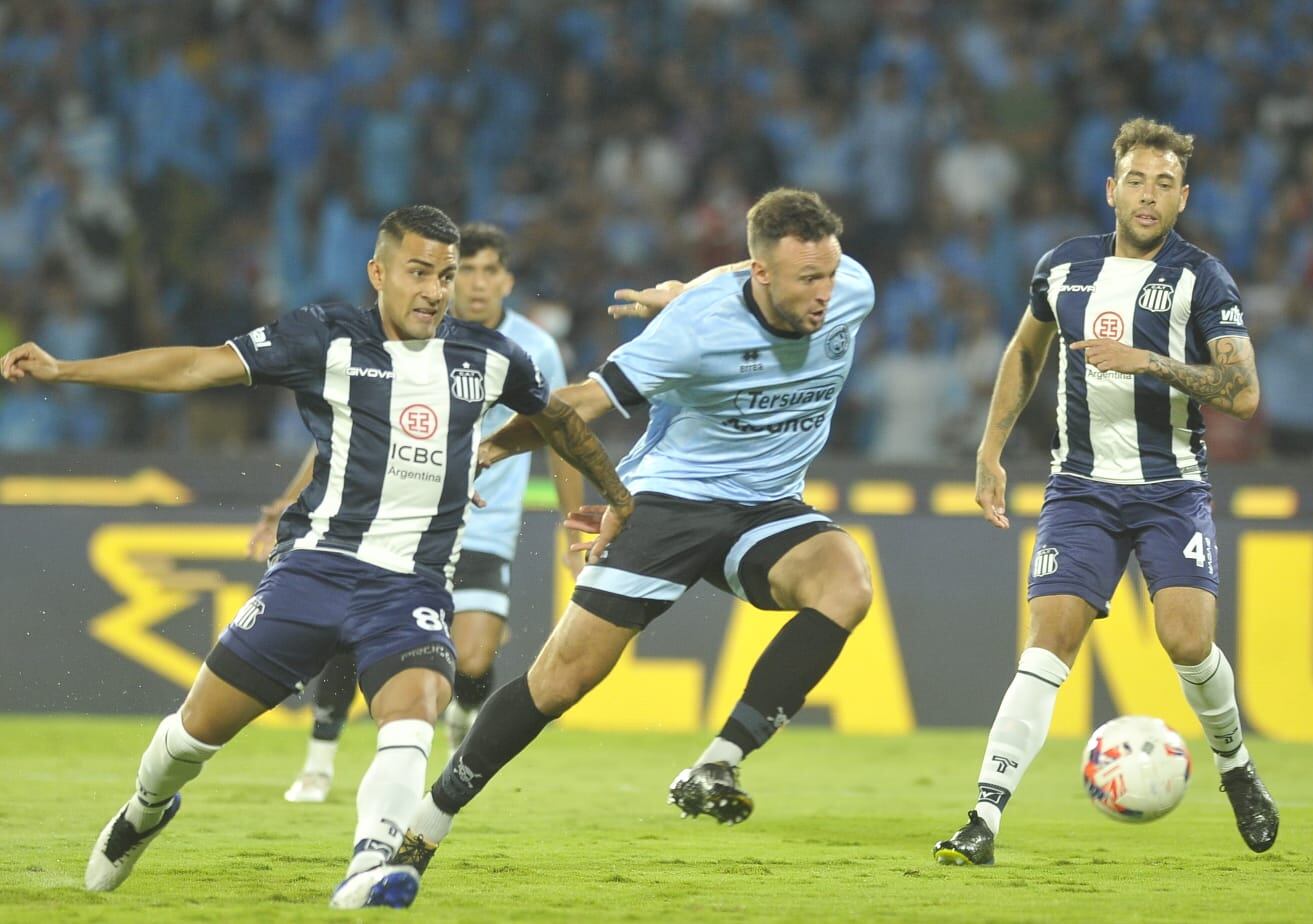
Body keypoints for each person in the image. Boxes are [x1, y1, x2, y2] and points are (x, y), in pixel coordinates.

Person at [0, 205, 632, 909]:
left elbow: (560, 421)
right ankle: (146, 808)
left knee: (417, 705)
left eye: (445, 276)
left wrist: (616, 497)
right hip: (314, 571)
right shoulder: (323, 336)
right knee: (191, 738)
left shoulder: (486, 358)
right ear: (380, 272)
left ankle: (370, 863)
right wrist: (68, 369)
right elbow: (197, 367)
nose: (434, 290)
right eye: (419, 272)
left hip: (412, 587)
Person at [385, 188, 877, 878]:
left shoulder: (853, 287)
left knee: (845, 582)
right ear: (765, 275)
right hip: (669, 501)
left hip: (767, 506)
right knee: (561, 681)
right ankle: (427, 821)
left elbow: (740, 271)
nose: (826, 292)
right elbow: (577, 404)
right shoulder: (696, 332)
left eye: (829, 273)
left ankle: (716, 764)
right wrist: (489, 449)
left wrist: (682, 285)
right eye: (808, 279)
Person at [932, 118, 1277, 867]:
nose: (1148, 196)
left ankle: (1236, 768)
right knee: (1047, 642)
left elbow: (1244, 392)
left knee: (1187, 640)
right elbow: (1027, 350)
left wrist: (1149, 362)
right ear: (1110, 187)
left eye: (1164, 184)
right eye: (1136, 180)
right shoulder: (1063, 267)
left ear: (1183, 198)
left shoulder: (1202, 278)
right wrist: (990, 449)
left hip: (1171, 490)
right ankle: (983, 818)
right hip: (1079, 488)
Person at [256, 222, 587, 804]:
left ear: (507, 280)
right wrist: (288, 497)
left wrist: (573, 523)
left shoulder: (532, 351)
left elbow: (559, 435)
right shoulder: (411, 338)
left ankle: (462, 717)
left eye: (490, 272)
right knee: (347, 634)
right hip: (398, 518)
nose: (477, 285)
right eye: (468, 273)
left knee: (478, 653)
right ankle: (319, 758)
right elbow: (346, 429)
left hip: (486, 526)